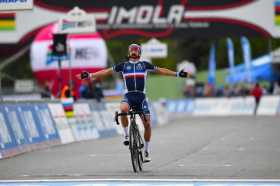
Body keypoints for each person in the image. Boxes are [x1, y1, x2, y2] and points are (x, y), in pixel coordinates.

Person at [76, 43, 190, 162]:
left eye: (136, 50)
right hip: (129, 96)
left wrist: (177, 74)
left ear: (139, 53)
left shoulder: (144, 65)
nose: (134, 52)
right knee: (123, 110)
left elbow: (161, 70)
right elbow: (107, 71)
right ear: (129, 52)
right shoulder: (123, 66)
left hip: (141, 98)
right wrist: (90, 75)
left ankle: (146, 150)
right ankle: (126, 135)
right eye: (132, 50)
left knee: (147, 125)